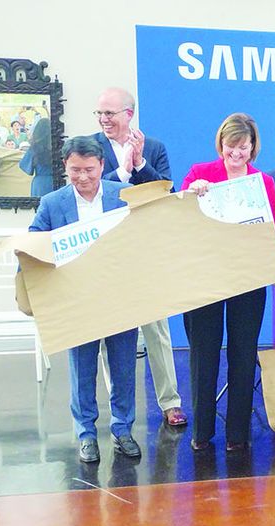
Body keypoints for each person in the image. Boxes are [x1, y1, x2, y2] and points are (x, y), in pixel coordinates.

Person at [30, 137, 142, 464]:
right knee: (82, 368)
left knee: (123, 366)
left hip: (118, 294)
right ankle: (86, 434)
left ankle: (122, 429)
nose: (83, 177)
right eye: (75, 170)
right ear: (65, 167)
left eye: (89, 170)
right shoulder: (52, 203)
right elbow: (35, 239)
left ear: (102, 166)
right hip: (76, 298)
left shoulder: (121, 196)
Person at [180, 113, 275, 452]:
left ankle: (238, 434)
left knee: (243, 354)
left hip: (248, 278)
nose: (237, 153)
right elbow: (178, 218)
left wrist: (270, 245)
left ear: (253, 146)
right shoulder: (200, 174)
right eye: (231, 146)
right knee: (203, 354)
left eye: (243, 146)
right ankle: (202, 433)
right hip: (206, 278)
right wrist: (189, 196)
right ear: (220, 144)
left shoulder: (263, 182)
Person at [91, 87, 185, 427]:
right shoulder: (89, 147)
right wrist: (122, 174)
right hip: (105, 252)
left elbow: (166, 192)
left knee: (157, 329)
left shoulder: (154, 148)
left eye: (110, 114)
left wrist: (141, 163)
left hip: (144, 249)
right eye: (100, 114)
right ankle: (118, 408)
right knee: (108, 332)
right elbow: (89, 190)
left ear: (129, 114)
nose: (104, 120)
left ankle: (170, 401)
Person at [19, 117, 54, 197]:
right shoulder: (57, 147)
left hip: (40, 184)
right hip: (56, 182)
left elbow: (24, 167)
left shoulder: (34, 148)